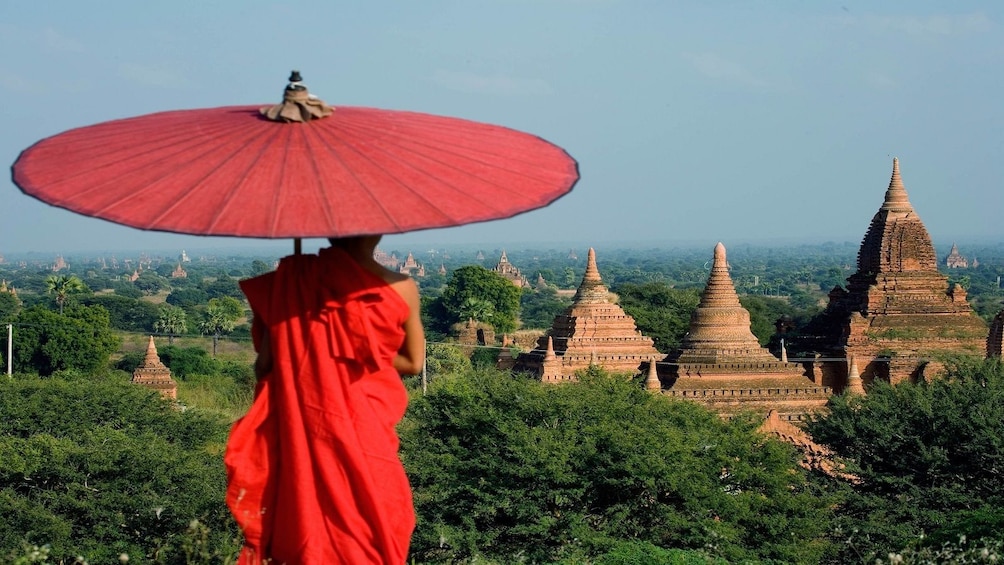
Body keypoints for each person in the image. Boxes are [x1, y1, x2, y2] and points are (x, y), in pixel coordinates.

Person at [225, 235, 425, 564]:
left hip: (303, 428)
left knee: (305, 517)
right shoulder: (401, 287)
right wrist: (360, 350)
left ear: (330, 232)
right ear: (379, 232)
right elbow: (413, 363)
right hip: (367, 430)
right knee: (375, 517)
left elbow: (265, 368)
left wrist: (305, 340)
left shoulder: (290, 284)